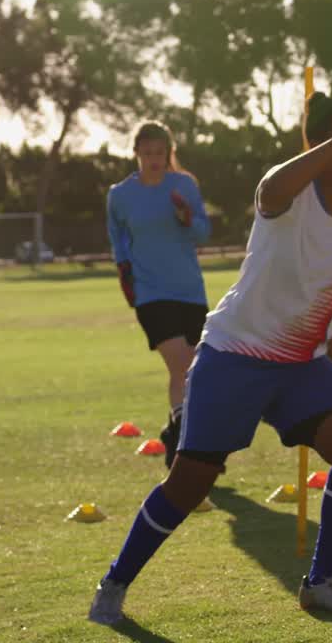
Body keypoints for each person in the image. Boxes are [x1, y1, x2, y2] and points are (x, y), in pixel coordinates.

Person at [88, 92, 332, 624]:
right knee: (190, 483)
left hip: (302, 364)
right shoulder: (289, 193)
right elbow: (268, 190)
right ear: (322, 147)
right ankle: (114, 584)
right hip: (233, 354)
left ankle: (321, 583)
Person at [107, 121, 211, 470]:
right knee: (181, 363)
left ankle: (175, 433)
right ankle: (187, 445)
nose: (154, 160)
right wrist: (125, 275)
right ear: (136, 152)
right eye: (147, 153)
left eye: (160, 153)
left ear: (169, 153)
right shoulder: (120, 195)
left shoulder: (184, 186)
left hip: (189, 290)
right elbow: (118, 241)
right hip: (150, 293)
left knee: (194, 371)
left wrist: (186, 218)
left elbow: (203, 232)